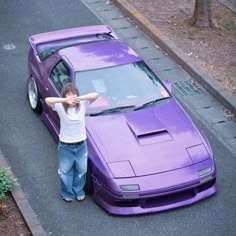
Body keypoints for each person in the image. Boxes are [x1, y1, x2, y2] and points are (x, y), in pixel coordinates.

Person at [45, 82, 98, 202]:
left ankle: (78, 191)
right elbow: (48, 100)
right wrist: (65, 100)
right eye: (68, 94)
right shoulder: (59, 106)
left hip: (81, 145)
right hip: (65, 146)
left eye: (73, 94)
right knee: (65, 172)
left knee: (81, 170)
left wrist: (80, 98)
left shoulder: (83, 104)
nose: (72, 97)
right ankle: (67, 193)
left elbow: (95, 95)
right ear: (64, 96)